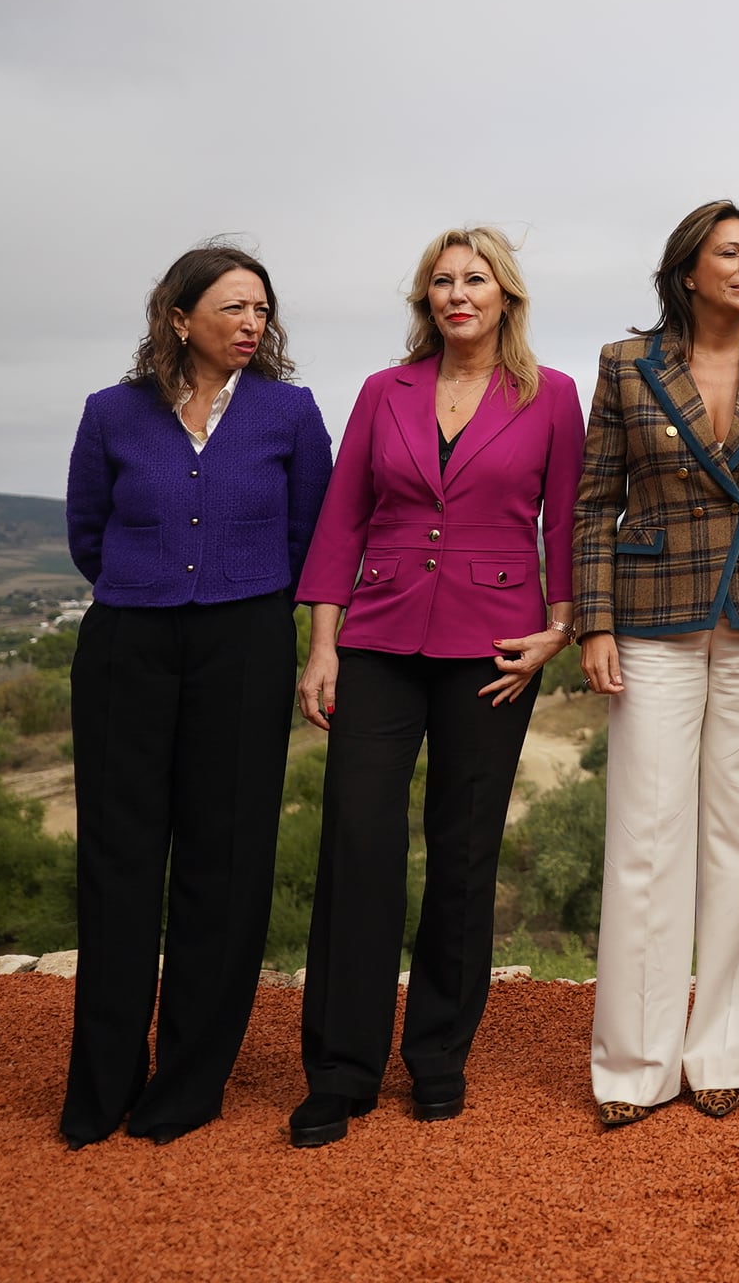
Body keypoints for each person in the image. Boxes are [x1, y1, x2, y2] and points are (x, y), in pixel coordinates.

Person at [287, 228, 584, 1149]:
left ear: (506, 296)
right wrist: (322, 646)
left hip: (495, 648)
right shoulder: (385, 392)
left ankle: (439, 1059)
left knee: (462, 852)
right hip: (376, 637)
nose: (459, 293)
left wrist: (561, 630)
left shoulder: (552, 396)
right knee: (360, 842)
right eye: (442, 281)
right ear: (426, 299)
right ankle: (341, 1071)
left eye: (476, 279)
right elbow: (342, 520)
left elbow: (569, 519)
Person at [59, 243, 333, 1148]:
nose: (253, 323)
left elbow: (312, 539)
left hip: (245, 643)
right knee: (119, 862)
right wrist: (151, 594)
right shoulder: (112, 414)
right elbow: (88, 536)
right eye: (232, 308)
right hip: (126, 646)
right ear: (179, 318)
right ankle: (100, 1090)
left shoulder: (290, 414)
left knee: (225, 861)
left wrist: (240, 602)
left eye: (262, 309)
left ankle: (186, 1085)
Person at [573, 201, 739, 1129]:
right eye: (731, 252)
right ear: (687, 270)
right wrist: (594, 623)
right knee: (647, 838)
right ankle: (632, 1067)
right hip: (650, 616)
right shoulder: (625, 365)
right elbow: (597, 502)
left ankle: (725, 1053)